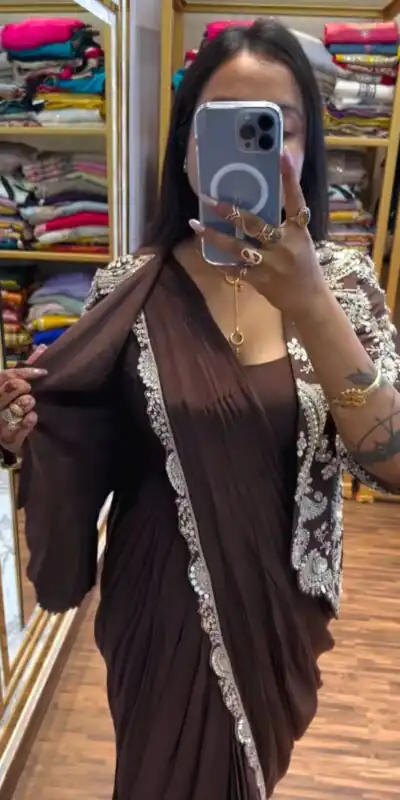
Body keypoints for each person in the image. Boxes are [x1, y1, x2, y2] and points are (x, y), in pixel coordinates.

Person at [0, 18, 399, 800]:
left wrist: (309, 302)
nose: (258, 150)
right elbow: (85, 438)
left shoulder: (345, 287)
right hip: (159, 610)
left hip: (277, 619)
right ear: (186, 148)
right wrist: (22, 428)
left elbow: (391, 463)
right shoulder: (132, 287)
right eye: (224, 127)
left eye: (279, 128)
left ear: (307, 149)